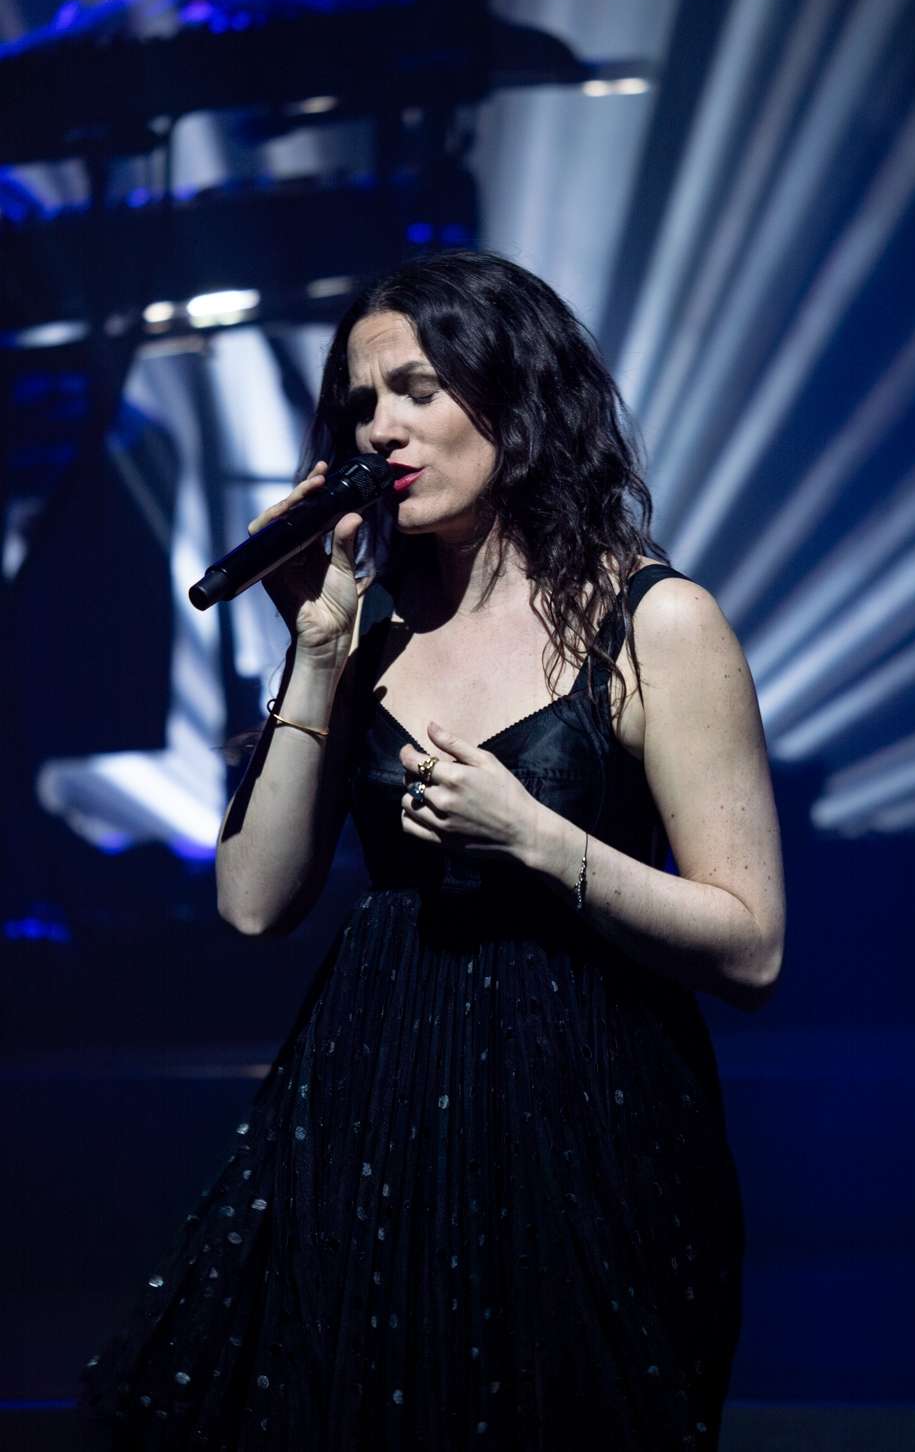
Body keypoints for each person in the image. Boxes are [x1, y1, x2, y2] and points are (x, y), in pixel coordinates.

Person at [80, 249, 785, 1450]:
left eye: (417, 388)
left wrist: (537, 837)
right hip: (372, 1108)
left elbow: (752, 944)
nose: (382, 428)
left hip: (589, 1114)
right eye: (361, 404)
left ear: (517, 398)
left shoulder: (657, 622)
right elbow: (253, 902)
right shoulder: (368, 637)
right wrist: (315, 650)